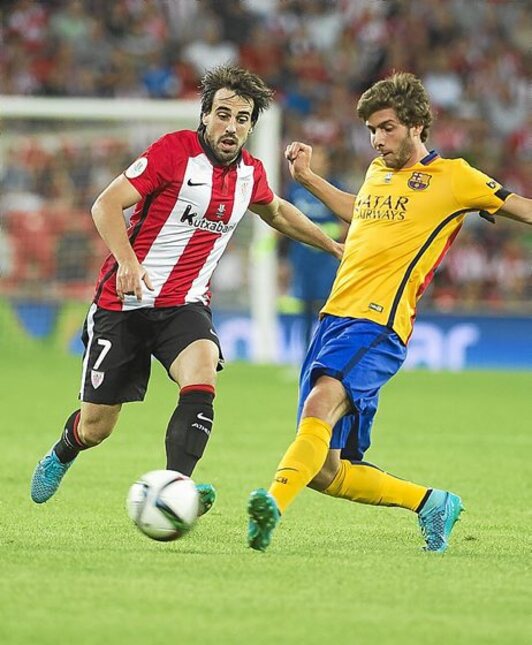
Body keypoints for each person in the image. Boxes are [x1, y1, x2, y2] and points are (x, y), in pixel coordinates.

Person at [30, 65, 343, 513]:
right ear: (205, 116)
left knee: (202, 375)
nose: (231, 126)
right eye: (223, 115)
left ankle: (175, 487)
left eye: (242, 119)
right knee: (97, 427)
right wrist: (128, 262)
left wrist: (331, 245)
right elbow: (106, 205)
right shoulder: (173, 152)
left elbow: (276, 212)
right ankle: (64, 450)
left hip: (185, 305)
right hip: (124, 302)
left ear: (252, 126)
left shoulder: (250, 174)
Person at [247, 72, 532, 553]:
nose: (377, 140)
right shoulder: (377, 172)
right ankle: (432, 502)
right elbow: (360, 211)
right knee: (325, 470)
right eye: (372, 131)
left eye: (387, 128)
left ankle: (270, 505)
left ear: (417, 125)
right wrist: (309, 180)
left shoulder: (455, 178)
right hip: (334, 319)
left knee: (320, 404)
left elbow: (520, 207)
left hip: (378, 323)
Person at [283, 145, 346, 348]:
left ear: (327, 162)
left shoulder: (335, 186)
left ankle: (325, 349)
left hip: (327, 258)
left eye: (320, 158)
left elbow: (347, 221)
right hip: (302, 257)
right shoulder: (295, 189)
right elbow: (283, 217)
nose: (316, 162)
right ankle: (305, 353)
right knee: (304, 306)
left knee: (326, 306)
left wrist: (328, 236)